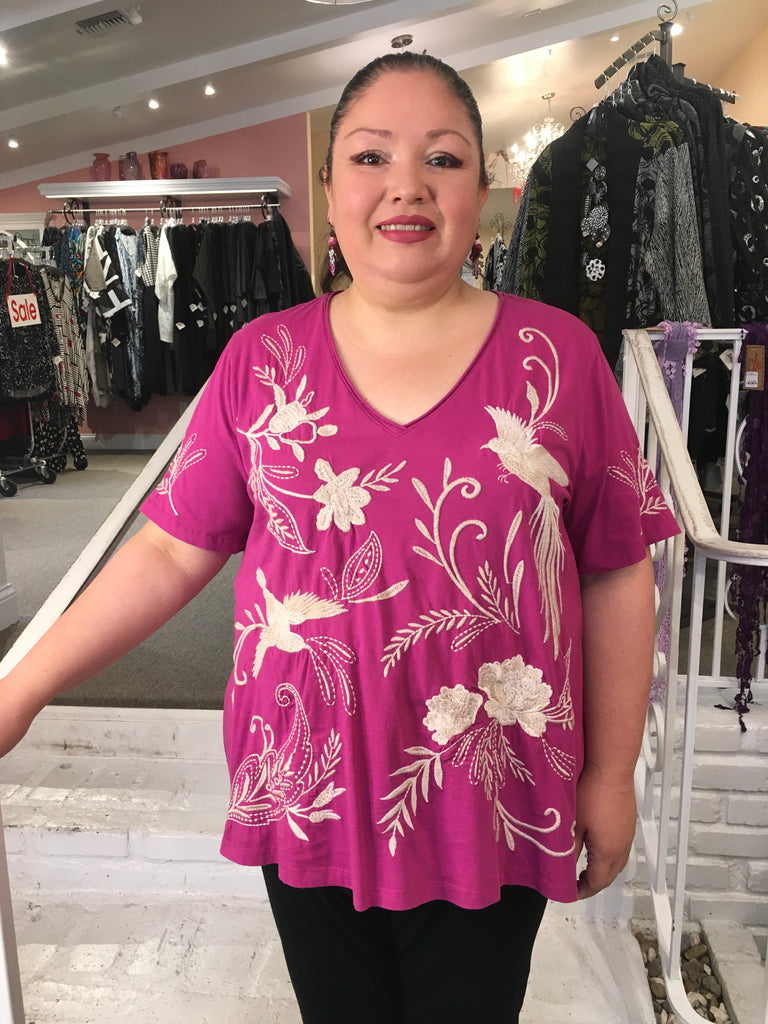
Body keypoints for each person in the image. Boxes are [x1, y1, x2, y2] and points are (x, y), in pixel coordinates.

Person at [0, 52, 678, 1024]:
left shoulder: (558, 356)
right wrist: (21, 686)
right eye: (371, 156)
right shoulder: (260, 360)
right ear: (329, 188)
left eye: (442, 158)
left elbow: (615, 570)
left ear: (479, 184)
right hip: (305, 788)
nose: (407, 185)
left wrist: (611, 774)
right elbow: (168, 550)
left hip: (492, 796)